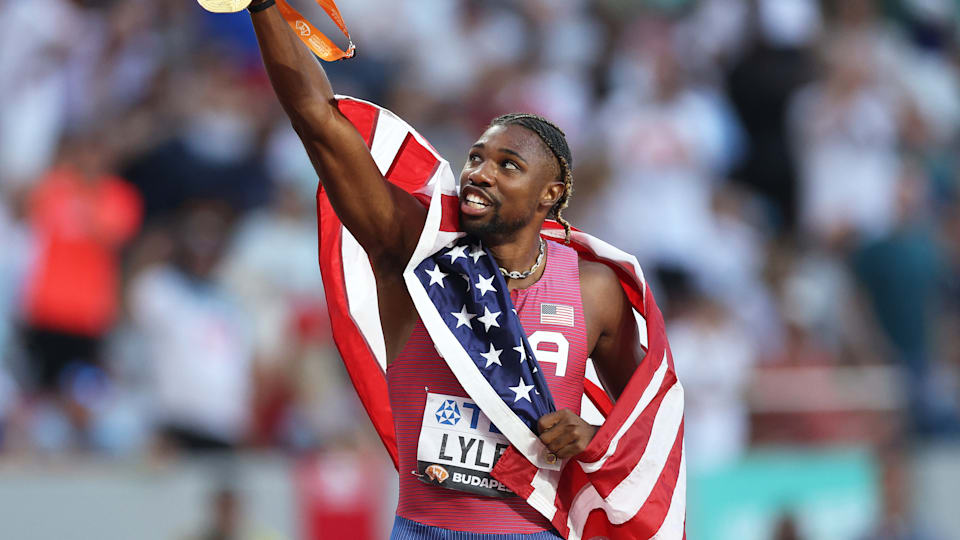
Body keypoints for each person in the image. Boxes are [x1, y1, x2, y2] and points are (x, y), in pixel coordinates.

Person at [247, 1, 646, 537]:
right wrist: (262, 5)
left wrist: (594, 434)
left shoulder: (592, 289)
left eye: (509, 166)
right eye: (476, 158)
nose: (480, 174)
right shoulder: (413, 251)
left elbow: (647, 421)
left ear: (551, 194)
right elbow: (317, 120)